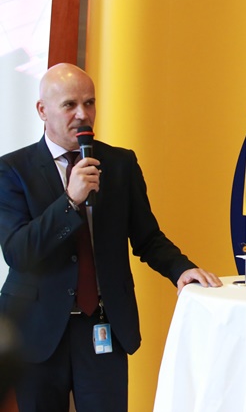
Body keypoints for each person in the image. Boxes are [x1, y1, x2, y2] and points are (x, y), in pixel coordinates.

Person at [0, 63, 223, 412]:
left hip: (103, 324)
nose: (82, 114)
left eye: (89, 103)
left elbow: (147, 237)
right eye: (70, 105)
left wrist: (181, 269)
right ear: (42, 110)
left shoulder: (119, 163)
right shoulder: (12, 169)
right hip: (37, 329)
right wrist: (70, 201)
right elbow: (19, 251)